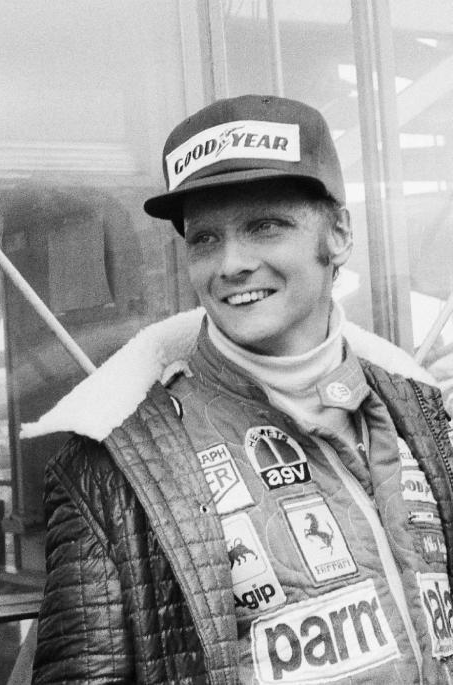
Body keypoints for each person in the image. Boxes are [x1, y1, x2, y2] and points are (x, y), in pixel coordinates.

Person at [26, 94, 453, 683]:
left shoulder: (423, 412)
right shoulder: (109, 471)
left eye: (265, 226)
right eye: (205, 239)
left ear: (339, 235)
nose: (231, 264)